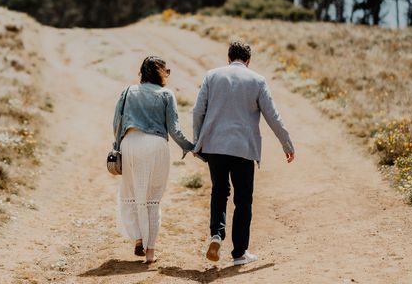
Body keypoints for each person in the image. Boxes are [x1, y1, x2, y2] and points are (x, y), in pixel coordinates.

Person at [192, 40, 295, 266]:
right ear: (248, 61)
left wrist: (197, 143)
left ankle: (216, 235)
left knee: (219, 191)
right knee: (243, 200)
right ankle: (239, 253)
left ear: (228, 58)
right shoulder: (257, 80)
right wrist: (286, 143)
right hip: (243, 148)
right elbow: (272, 115)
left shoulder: (212, 76)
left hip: (215, 147)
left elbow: (198, 111)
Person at [112, 56, 194, 264]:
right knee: (152, 199)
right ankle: (150, 253)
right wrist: (190, 147)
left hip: (129, 142)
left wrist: (117, 146)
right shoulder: (166, 94)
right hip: (156, 146)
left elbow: (117, 123)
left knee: (131, 192)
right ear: (160, 72)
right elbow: (174, 129)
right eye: (167, 71)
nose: (168, 75)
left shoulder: (128, 91)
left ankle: (139, 237)